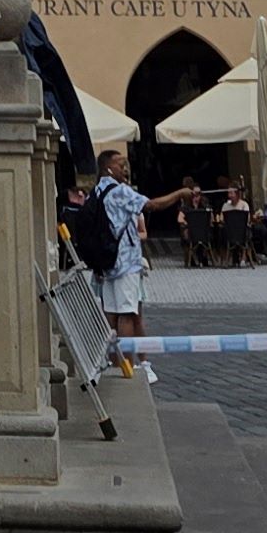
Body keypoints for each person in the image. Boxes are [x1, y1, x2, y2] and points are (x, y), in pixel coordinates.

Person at [92, 148, 154, 379]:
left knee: (111, 314)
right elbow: (151, 205)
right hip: (124, 261)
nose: (124, 168)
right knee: (127, 314)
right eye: (120, 164)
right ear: (108, 168)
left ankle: (111, 362)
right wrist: (180, 194)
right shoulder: (119, 192)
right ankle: (126, 367)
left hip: (106, 263)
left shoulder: (97, 191)